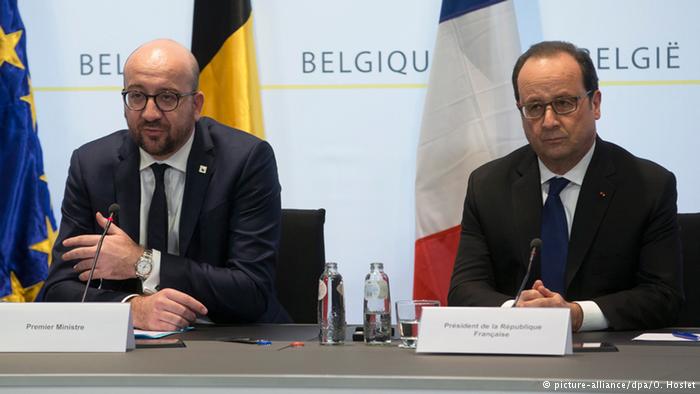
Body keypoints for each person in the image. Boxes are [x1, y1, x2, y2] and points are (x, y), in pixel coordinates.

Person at [41, 39, 290, 329]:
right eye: (136, 96)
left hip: (228, 339)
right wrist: (132, 309)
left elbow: (251, 290)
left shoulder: (244, 160)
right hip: (132, 348)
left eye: (167, 97)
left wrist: (142, 262)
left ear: (196, 105)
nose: (149, 113)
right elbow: (58, 290)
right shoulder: (92, 164)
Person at [447, 41, 683, 331]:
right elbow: (464, 289)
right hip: (513, 355)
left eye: (563, 103)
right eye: (534, 107)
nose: (548, 121)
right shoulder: (488, 185)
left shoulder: (648, 186)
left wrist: (576, 315)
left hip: (610, 362)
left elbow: (663, 296)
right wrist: (517, 312)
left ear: (595, 104)